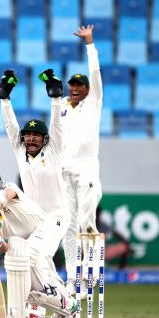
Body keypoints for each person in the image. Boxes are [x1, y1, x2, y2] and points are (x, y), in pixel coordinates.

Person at [0, 67, 70, 318]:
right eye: (28, 135)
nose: (32, 139)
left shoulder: (54, 151)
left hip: (57, 216)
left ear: (45, 139)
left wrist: (56, 98)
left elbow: (58, 124)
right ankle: (66, 308)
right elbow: (10, 127)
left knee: (33, 254)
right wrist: (5, 98)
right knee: (44, 265)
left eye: (37, 136)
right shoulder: (20, 152)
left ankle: (42, 305)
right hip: (35, 220)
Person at [0, 168, 78, 318]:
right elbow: (2, 242)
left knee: (21, 258)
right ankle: (67, 306)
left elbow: (4, 196)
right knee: (30, 290)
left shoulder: (9, 189)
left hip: (47, 227)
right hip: (25, 243)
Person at [59, 25, 104, 296]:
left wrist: (90, 45)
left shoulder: (93, 102)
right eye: (72, 85)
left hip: (86, 166)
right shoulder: (62, 106)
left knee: (87, 224)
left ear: (87, 89)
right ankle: (73, 278)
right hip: (63, 170)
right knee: (67, 225)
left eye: (79, 85)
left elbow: (95, 74)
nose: (74, 88)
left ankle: (89, 275)